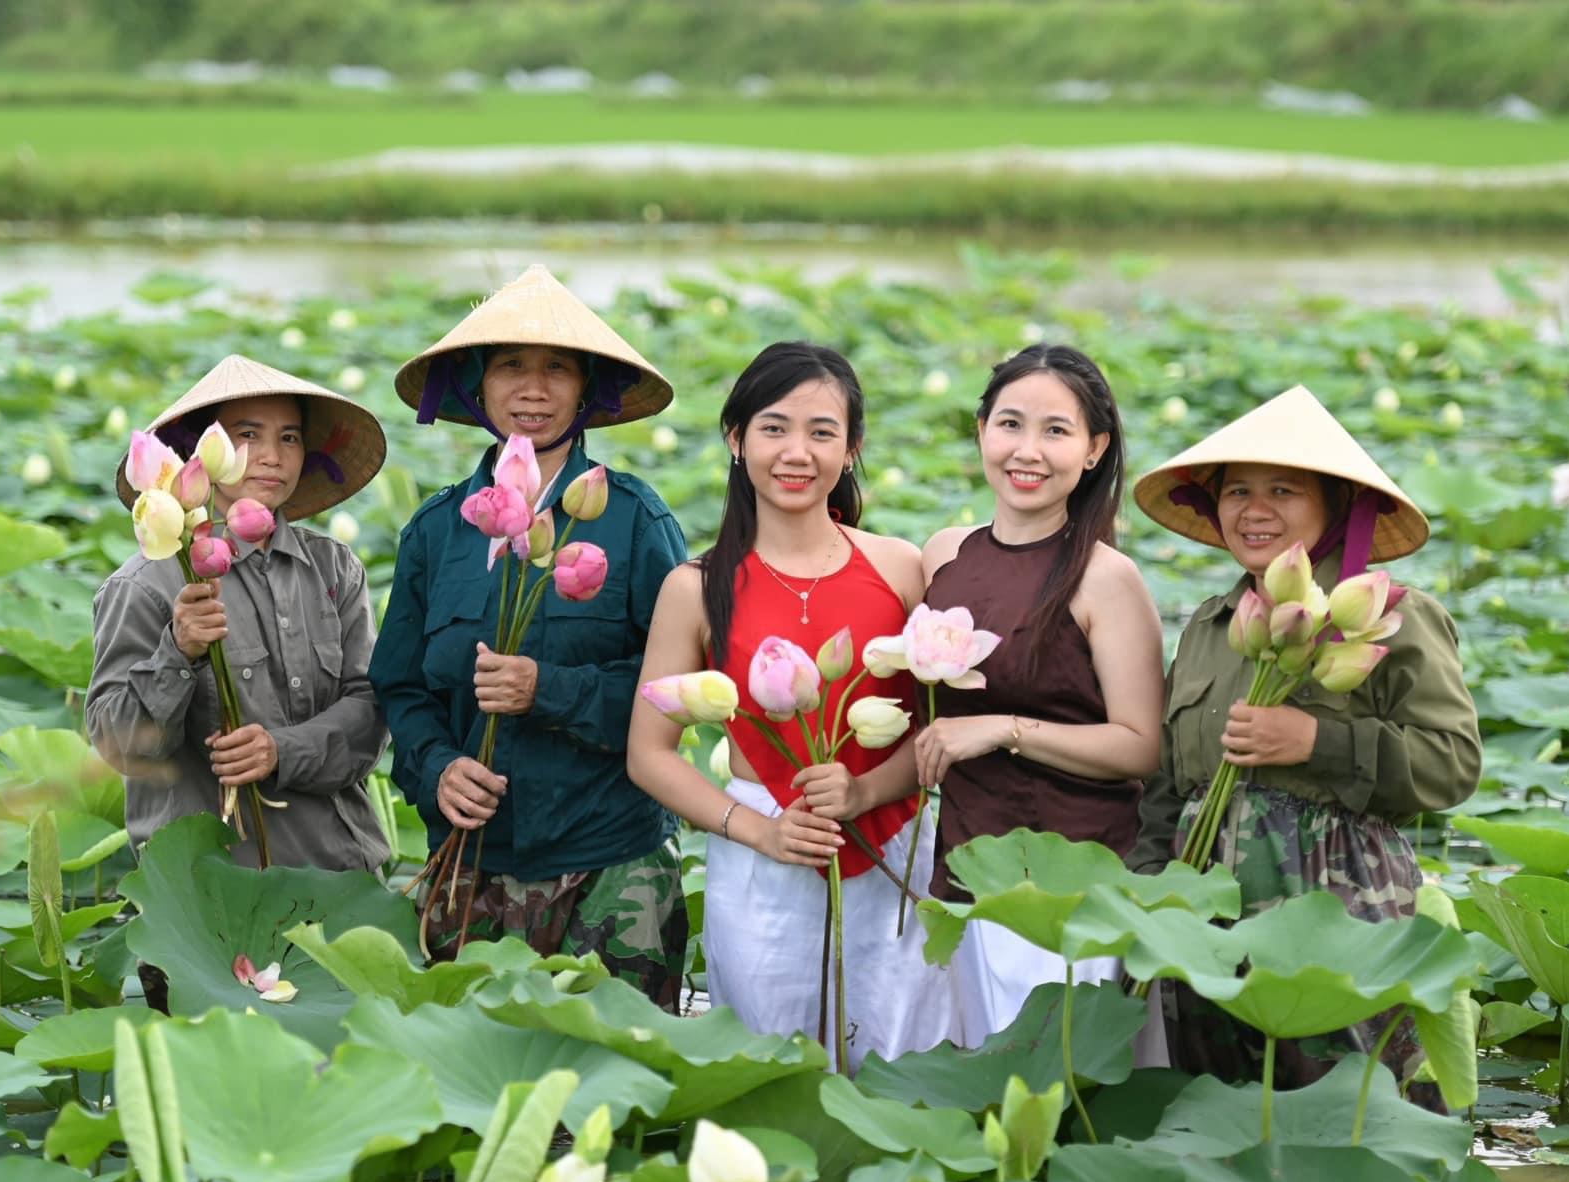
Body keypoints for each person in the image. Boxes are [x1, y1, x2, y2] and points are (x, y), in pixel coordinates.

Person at [1127, 384, 1481, 1103]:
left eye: (1283, 490)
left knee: (1355, 1107)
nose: (1254, 511)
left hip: (1341, 910)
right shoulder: (1209, 625)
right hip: (1207, 915)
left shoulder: (1393, 617)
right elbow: (1170, 782)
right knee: (1220, 1110)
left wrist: (1316, 739)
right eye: (1236, 492)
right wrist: (1149, 897)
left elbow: (1453, 763)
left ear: (1335, 504)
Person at [627, 341, 954, 1066]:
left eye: (822, 432)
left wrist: (868, 785)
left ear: (853, 448)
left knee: (899, 1060)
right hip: (761, 856)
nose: (796, 452)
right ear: (737, 440)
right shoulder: (697, 586)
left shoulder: (901, 567)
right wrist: (758, 831)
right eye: (774, 428)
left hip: (893, 844)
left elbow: (937, 727)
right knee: (771, 1070)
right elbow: (648, 754)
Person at [372, 265, 691, 1009]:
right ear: (477, 387)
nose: (534, 391)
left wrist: (547, 689)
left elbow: (675, 692)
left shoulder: (637, 520)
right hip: (471, 866)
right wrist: (437, 768)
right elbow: (399, 688)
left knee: (622, 1096)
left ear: (586, 391)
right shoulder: (435, 531)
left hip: (614, 865)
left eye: (557, 370)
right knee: (480, 1094)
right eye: (511, 368)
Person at [917, 345, 1164, 1046]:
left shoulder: (1106, 579)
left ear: (1094, 450)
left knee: (1057, 1099)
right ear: (981, 431)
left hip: (1068, 890)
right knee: (973, 1090)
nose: (1028, 451)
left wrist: (1003, 728)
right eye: (1011, 424)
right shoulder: (943, 554)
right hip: (961, 874)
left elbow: (1140, 747)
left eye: (1056, 431)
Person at [88, 353, 391, 874]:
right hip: (210, 889)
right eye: (247, 436)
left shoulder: (335, 569)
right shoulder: (144, 585)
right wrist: (178, 653)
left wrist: (282, 750)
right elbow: (119, 745)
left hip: (339, 873)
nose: (272, 456)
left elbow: (371, 710)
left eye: (290, 438)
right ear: (201, 455)